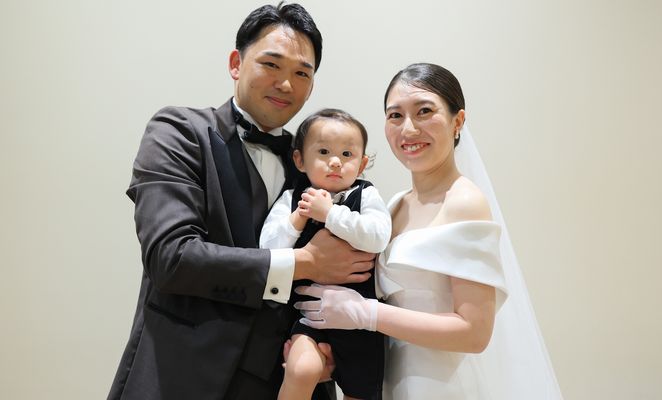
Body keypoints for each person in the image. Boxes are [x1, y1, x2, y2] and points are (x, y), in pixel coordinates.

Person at [107, 4, 377, 400]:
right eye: (271, 64)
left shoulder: (315, 160)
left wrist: (333, 353)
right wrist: (305, 262)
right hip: (181, 376)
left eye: (301, 73)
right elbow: (171, 258)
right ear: (236, 63)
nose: (285, 84)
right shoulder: (179, 132)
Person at [295, 63, 564, 399]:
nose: (408, 129)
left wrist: (367, 314)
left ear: (457, 121)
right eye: (395, 116)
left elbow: (473, 333)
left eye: (424, 111)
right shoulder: (395, 205)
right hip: (391, 383)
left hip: (441, 386)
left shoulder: (465, 202)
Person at [260, 109, 391, 400]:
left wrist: (330, 214)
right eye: (323, 152)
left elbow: (378, 236)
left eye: (347, 154)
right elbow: (268, 251)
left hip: (360, 319)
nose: (335, 161)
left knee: (361, 392)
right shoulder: (292, 199)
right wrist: (298, 219)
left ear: (362, 164)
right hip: (310, 314)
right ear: (299, 160)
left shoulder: (367, 196)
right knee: (301, 369)